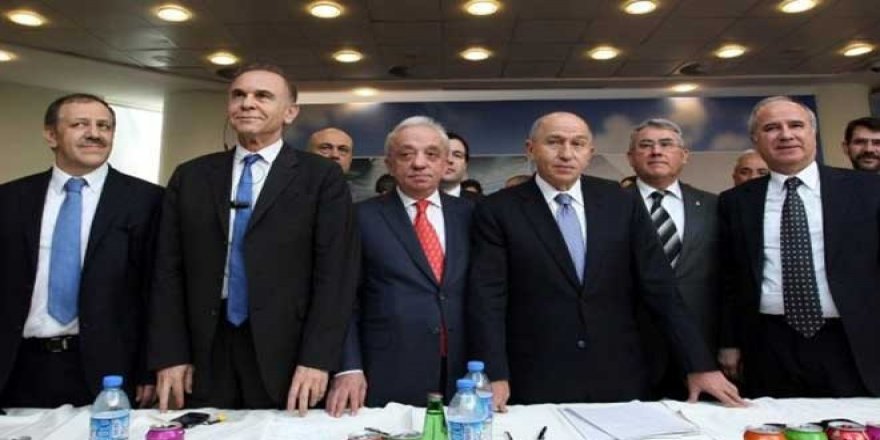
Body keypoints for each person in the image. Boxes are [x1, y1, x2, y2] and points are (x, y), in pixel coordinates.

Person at [468, 111, 744, 409]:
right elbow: (488, 297)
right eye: (554, 142)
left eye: (577, 143)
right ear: (530, 148)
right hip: (535, 373)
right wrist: (493, 373)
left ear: (590, 152)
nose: (566, 153)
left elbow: (660, 287)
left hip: (619, 372)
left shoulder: (621, 202)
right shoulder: (498, 209)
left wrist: (699, 364)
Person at [149, 64, 358, 412]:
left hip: (288, 356)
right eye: (239, 95)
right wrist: (169, 353)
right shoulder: (191, 176)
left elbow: (336, 276)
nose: (247, 103)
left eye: (262, 96)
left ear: (290, 112)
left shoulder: (321, 178)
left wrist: (317, 359)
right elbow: (166, 271)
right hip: (204, 351)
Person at [0, 93, 163, 408]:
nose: (95, 133)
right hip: (17, 366)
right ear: (51, 135)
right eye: (80, 124)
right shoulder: (10, 199)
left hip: (109, 372)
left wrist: (149, 368)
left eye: (104, 126)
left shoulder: (147, 201)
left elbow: (157, 291)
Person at [718, 96, 880, 398]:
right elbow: (730, 277)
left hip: (852, 340)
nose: (786, 135)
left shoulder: (868, 189)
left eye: (795, 125)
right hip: (768, 343)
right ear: (756, 140)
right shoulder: (735, 202)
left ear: (812, 133)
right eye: (771, 128)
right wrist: (729, 342)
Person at [326, 117, 473, 416]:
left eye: (431, 154)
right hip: (386, 368)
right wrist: (349, 367)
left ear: (445, 162)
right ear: (389, 164)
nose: (419, 163)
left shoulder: (474, 215)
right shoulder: (359, 217)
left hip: (463, 371)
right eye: (406, 154)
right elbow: (343, 299)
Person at [624, 118, 721, 399]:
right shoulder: (610, 205)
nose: (656, 151)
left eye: (666, 144)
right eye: (646, 145)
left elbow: (727, 277)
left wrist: (730, 343)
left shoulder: (714, 205)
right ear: (631, 157)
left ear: (684, 155)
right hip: (631, 344)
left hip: (702, 342)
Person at [441, 132, 480, 201]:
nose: (449, 159)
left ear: (465, 165)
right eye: (443, 154)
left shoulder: (485, 204)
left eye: (457, 155)